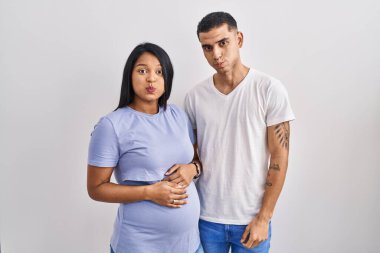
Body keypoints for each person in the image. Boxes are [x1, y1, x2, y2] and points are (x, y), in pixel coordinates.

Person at [182, 12, 296, 253]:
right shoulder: (194, 97)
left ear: (239, 39)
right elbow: (192, 156)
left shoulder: (268, 89)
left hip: (251, 219)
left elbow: (279, 157)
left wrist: (264, 218)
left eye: (223, 43)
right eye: (207, 47)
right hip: (205, 218)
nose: (216, 54)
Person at [87, 42, 203, 253]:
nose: (151, 78)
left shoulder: (177, 115)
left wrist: (193, 169)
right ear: (129, 75)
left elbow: (197, 158)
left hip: (190, 245)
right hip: (139, 245)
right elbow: (96, 188)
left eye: (159, 72)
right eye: (143, 71)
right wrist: (149, 192)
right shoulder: (112, 125)